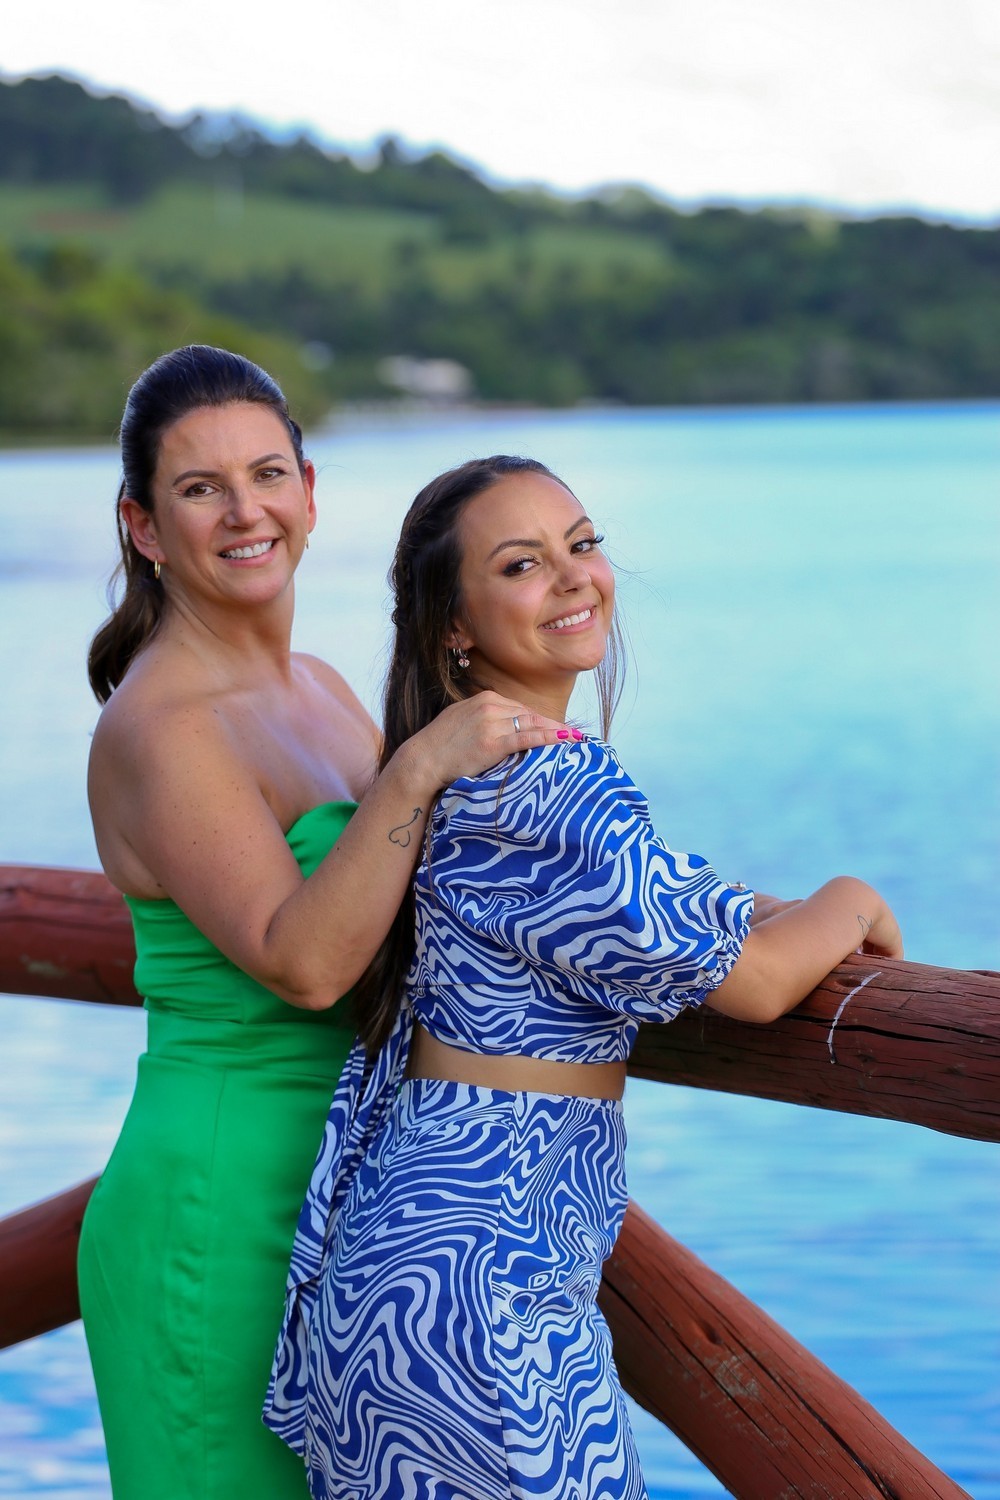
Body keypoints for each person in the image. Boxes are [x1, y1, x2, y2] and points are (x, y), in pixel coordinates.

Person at [264, 454, 904, 1499]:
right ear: (453, 626)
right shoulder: (558, 781)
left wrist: (758, 905)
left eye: (583, 544)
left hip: (396, 1270)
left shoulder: (458, 769)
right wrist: (850, 898)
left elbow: (650, 895)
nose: (573, 577)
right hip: (486, 1290)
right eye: (522, 564)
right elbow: (753, 985)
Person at [77, 351, 569, 1500]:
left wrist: (722, 920)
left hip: (352, 1204)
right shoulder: (162, 726)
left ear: (308, 493)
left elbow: (451, 893)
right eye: (200, 489)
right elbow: (303, 963)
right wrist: (420, 767)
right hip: (220, 1212)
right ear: (145, 528)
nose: (244, 512)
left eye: (266, 475)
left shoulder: (323, 689)